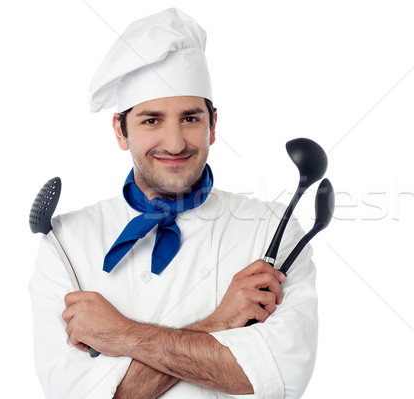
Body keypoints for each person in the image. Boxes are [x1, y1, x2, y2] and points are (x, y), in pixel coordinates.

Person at [28, 8, 318, 399]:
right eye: (151, 120)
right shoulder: (65, 243)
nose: (175, 142)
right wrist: (222, 322)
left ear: (213, 126)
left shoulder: (271, 230)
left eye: (190, 119)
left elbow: (277, 377)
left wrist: (119, 334)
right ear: (120, 129)